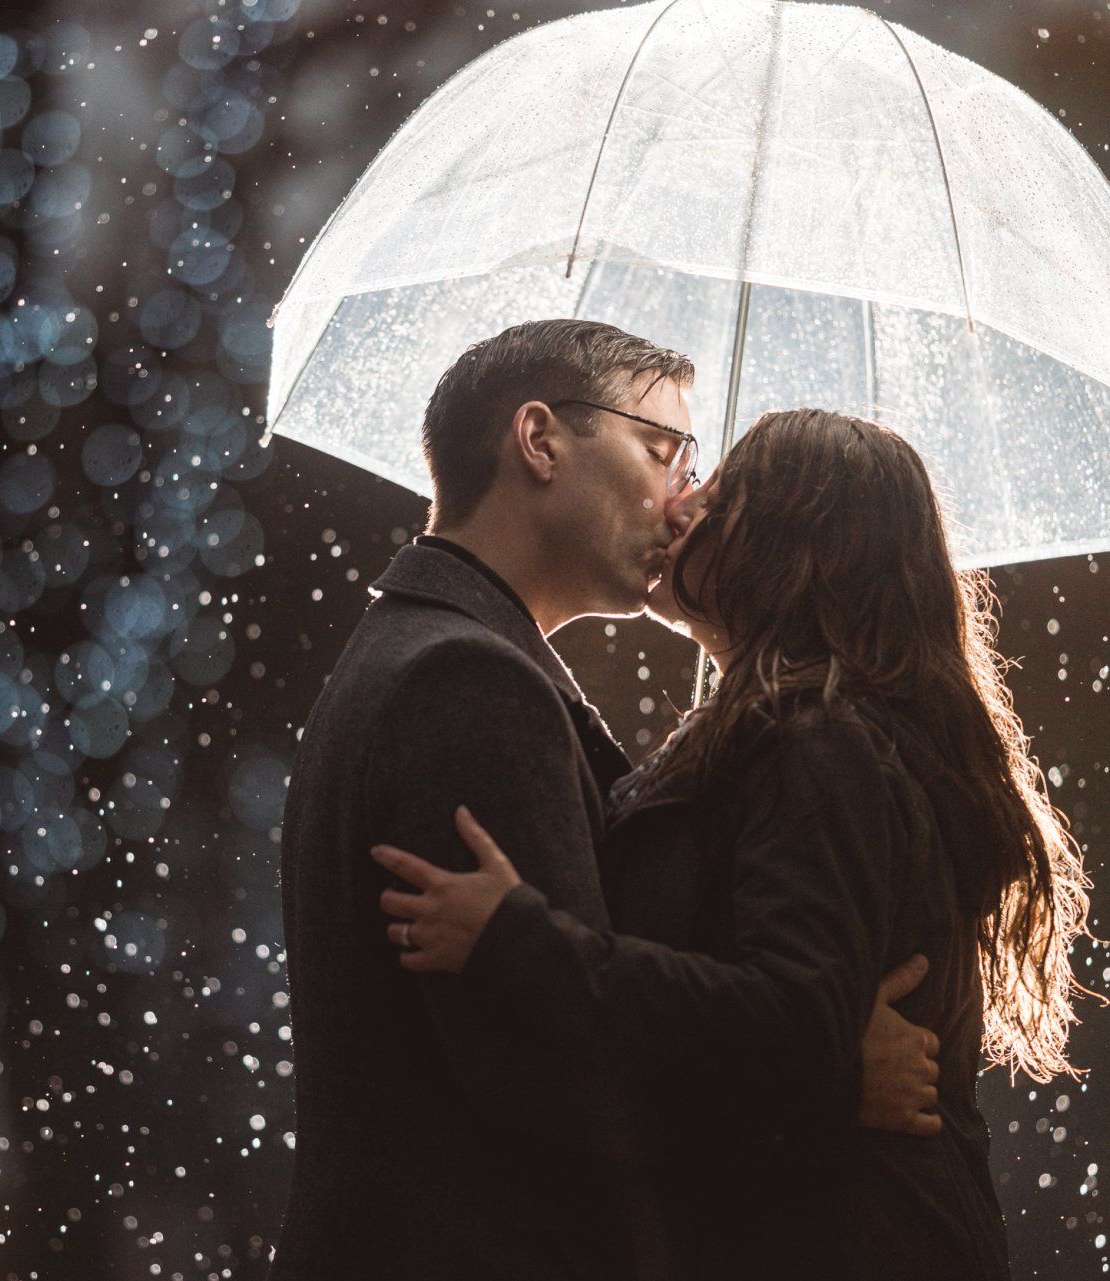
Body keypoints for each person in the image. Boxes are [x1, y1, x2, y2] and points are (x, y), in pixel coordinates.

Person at [274, 324, 943, 1281]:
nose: (682, 496)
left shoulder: (440, 652)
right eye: (661, 449)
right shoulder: (463, 679)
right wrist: (827, 1080)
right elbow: (546, 1072)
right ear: (539, 442)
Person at [373, 408, 1093, 1280]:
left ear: (793, 541)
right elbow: (785, 1008)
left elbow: (789, 1017)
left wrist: (518, 939)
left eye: (718, 495)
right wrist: (832, 1062)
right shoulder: (782, 733)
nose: (678, 506)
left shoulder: (818, 741)